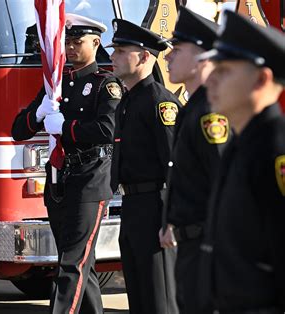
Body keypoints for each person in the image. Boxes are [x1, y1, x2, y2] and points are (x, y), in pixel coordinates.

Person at [11, 13, 123, 314]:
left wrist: (67, 127)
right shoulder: (56, 85)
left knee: (72, 263)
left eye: (78, 41)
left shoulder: (105, 84)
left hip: (90, 179)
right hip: (59, 180)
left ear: (96, 43)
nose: (71, 48)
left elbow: (107, 130)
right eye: (67, 42)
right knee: (75, 263)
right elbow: (17, 131)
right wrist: (37, 115)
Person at [197, 11, 285, 314]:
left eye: (224, 70)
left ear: (262, 79)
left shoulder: (276, 149)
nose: (210, 78)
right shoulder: (240, 140)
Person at [157, 7, 230, 314]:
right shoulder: (191, 108)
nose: (169, 57)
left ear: (202, 57)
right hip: (189, 243)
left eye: (177, 50)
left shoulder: (210, 113)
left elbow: (223, 183)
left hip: (209, 246)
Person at [108, 18, 181, 314]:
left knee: (158, 295)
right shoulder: (128, 101)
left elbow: (175, 164)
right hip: (134, 205)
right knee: (138, 295)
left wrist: (172, 219)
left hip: (156, 206)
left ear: (144, 56)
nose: (112, 56)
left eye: (121, 50)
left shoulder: (159, 102)